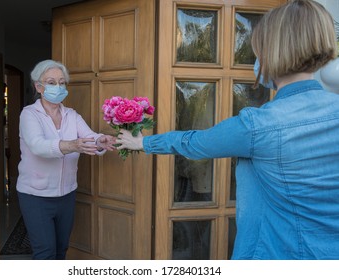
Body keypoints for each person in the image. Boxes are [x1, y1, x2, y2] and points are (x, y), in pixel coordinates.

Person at [116, 0, 339, 259]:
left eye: (258, 52)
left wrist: (143, 143)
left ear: (272, 53)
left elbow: (197, 142)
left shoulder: (258, 126)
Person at [16, 59, 115, 260]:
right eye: (51, 82)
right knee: (45, 253)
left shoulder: (71, 115)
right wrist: (71, 145)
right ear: (39, 87)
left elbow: (89, 136)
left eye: (62, 82)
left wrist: (100, 140)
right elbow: (37, 145)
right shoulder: (29, 114)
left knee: (61, 250)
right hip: (35, 196)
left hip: (66, 194)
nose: (58, 87)